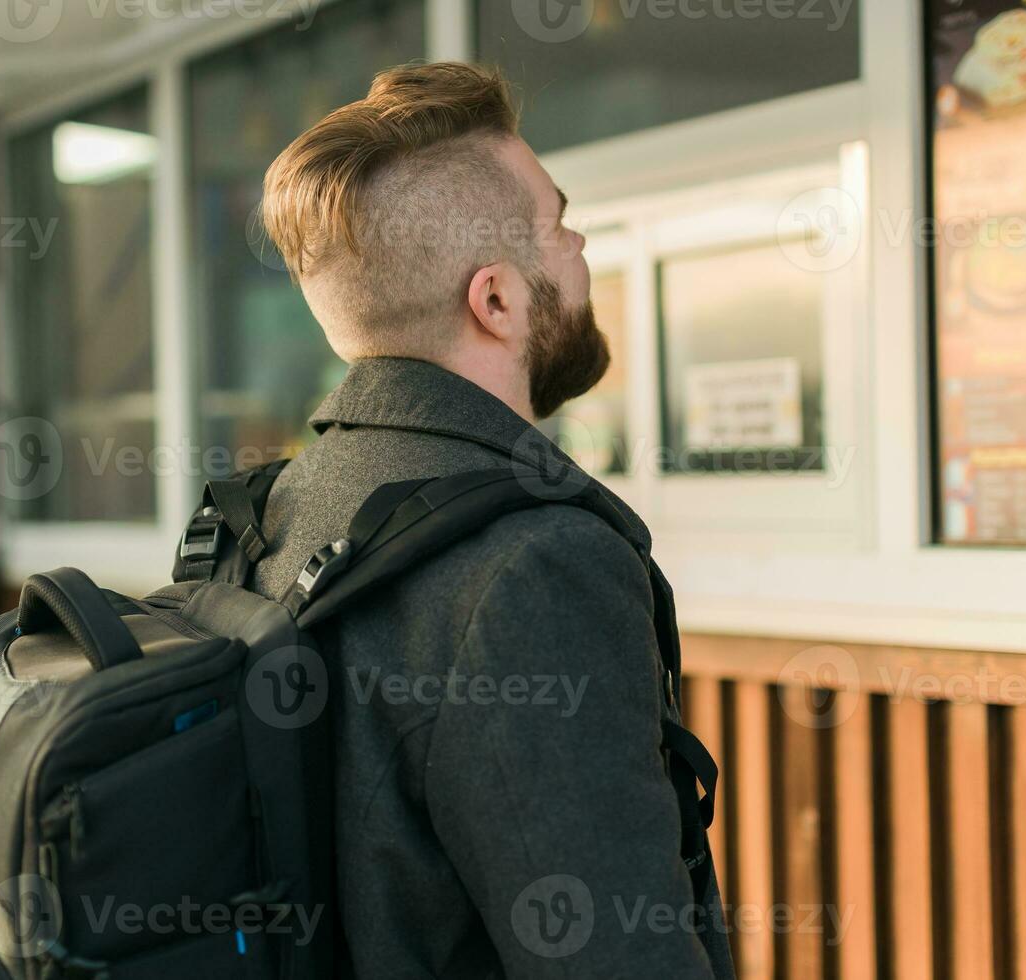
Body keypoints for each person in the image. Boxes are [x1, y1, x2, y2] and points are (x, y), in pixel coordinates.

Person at [248, 62, 734, 978]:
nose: (580, 243)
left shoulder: (267, 516)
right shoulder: (538, 565)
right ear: (497, 299)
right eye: (557, 225)